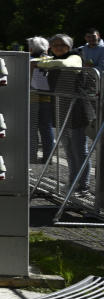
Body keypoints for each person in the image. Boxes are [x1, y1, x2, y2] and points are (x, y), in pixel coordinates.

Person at [38, 33, 91, 193]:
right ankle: (73, 181)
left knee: (79, 148)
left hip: (77, 109)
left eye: (62, 45)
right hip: (60, 108)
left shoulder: (74, 57)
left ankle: (83, 184)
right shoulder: (51, 59)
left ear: (69, 46)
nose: (58, 48)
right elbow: (40, 64)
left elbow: (64, 64)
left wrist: (44, 62)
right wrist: (43, 62)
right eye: (55, 45)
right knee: (68, 148)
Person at [28, 36, 55, 163]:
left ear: (32, 47)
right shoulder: (51, 60)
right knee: (47, 127)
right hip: (48, 97)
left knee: (31, 127)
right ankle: (48, 157)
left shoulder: (29, 60)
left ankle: (32, 155)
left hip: (31, 96)